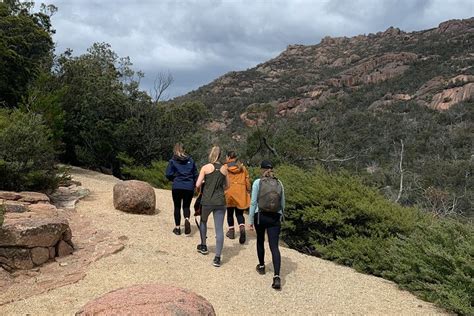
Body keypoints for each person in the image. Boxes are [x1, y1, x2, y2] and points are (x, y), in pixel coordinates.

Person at [249, 160, 285, 290]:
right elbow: (282, 203)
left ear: (261, 169)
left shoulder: (258, 182)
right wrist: (281, 215)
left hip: (261, 216)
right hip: (275, 217)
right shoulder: (279, 183)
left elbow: (253, 203)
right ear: (272, 169)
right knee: (274, 246)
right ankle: (276, 276)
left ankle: (262, 266)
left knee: (260, 240)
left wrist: (251, 221)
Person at [195, 146, 229, 267]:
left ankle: (203, 245)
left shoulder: (205, 167)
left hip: (207, 201)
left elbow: (197, 184)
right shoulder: (225, 169)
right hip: (220, 202)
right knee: (219, 229)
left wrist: (205, 184)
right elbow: (227, 186)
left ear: (211, 155)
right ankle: (217, 258)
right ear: (220, 156)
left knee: (203, 221)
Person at [165, 143, 198, 236]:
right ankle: (187, 219)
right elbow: (196, 174)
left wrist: (174, 179)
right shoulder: (191, 160)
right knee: (186, 206)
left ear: (175, 150)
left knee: (177, 207)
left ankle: (178, 228)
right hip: (189, 186)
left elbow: (168, 174)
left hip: (177, 186)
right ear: (184, 150)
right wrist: (195, 184)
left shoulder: (172, 161)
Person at [224, 151, 250, 244]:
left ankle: (231, 232)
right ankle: (242, 228)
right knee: (239, 214)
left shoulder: (225, 167)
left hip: (229, 192)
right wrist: (248, 190)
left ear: (228, 157)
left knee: (230, 213)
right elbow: (247, 180)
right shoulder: (242, 168)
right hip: (240, 192)